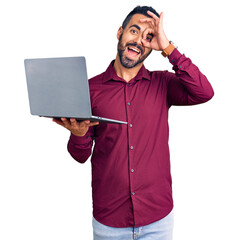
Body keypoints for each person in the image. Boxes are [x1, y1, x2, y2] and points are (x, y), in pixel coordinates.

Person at [53, 6, 214, 240]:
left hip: (157, 220)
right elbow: (80, 156)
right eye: (134, 31)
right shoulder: (89, 89)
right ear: (120, 32)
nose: (139, 41)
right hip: (110, 221)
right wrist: (78, 135)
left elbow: (204, 92)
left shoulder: (163, 84)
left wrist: (168, 48)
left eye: (148, 37)